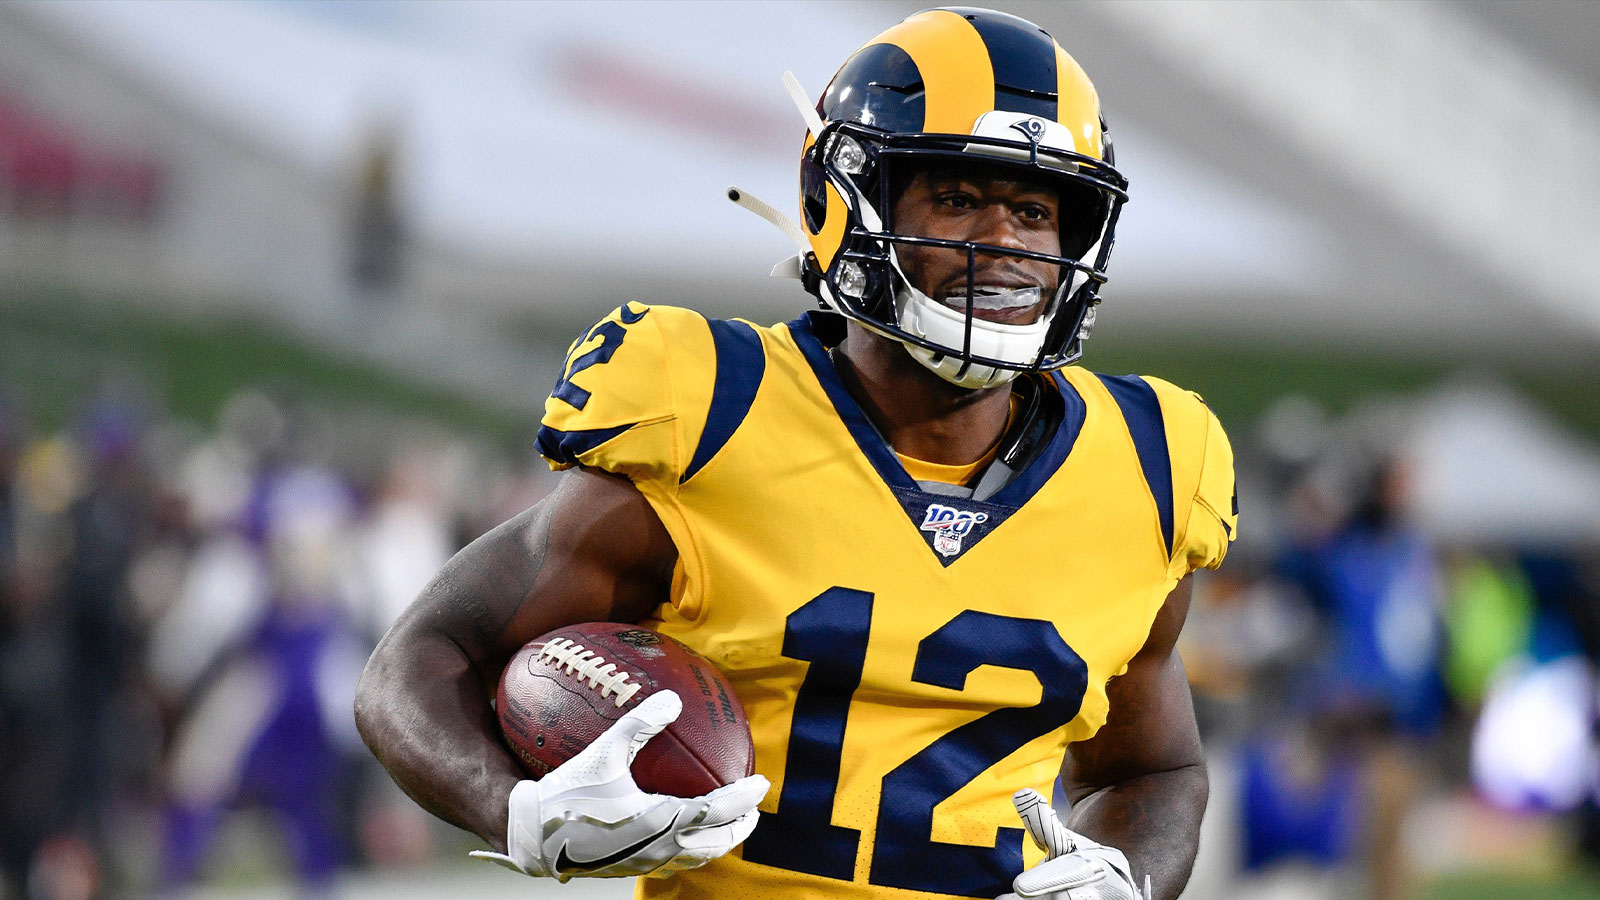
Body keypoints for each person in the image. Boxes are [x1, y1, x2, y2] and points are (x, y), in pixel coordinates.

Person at [355, 8, 1237, 900]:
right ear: (842, 204)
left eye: (1036, 211)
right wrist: (513, 808)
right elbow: (421, 659)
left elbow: (1152, 772)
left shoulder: (1148, 467)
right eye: (959, 199)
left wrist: (1129, 881)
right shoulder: (718, 413)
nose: (1005, 244)